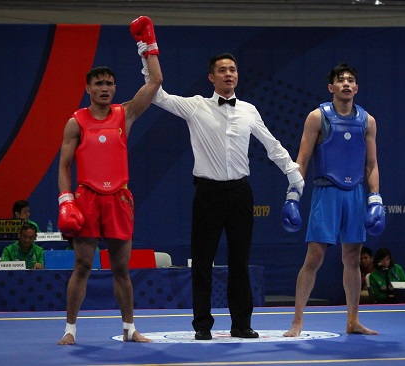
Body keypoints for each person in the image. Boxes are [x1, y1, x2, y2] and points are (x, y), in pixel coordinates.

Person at [142, 51, 304, 340]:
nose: (228, 74)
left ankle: (241, 324)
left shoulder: (249, 110)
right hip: (208, 193)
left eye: (232, 69)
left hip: (240, 193)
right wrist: (148, 54)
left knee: (240, 262)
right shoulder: (195, 106)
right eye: (222, 70)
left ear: (237, 75)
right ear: (211, 77)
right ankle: (202, 325)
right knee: (202, 262)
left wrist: (293, 173)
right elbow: (158, 96)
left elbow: (272, 144)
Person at [56, 16, 162, 345]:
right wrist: (66, 201)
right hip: (87, 199)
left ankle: (130, 328)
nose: (104, 88)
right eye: (98, 83)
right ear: (88, 88)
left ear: (115, 88)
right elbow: (63, 167)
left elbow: (155, 82)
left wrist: (148, 44)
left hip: (119, 199)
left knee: (121, 268)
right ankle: (70, 330)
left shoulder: (124, 114)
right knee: (83, 265)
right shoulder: (76, 122)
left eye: (109, 84)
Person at [284, 63, 384, 337]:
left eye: (351, 80)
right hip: (326, 192)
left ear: (357, 87)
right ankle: (297, 320)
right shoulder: (317, 117)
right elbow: (301, 160)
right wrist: (293, 194)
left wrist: (375, 198)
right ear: (331, 87)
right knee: (314, 257)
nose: (347, 84)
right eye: (341, 80)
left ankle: (353, 320)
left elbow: (371, 164)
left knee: (352, 258)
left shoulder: (367, 120)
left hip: (355, 195)